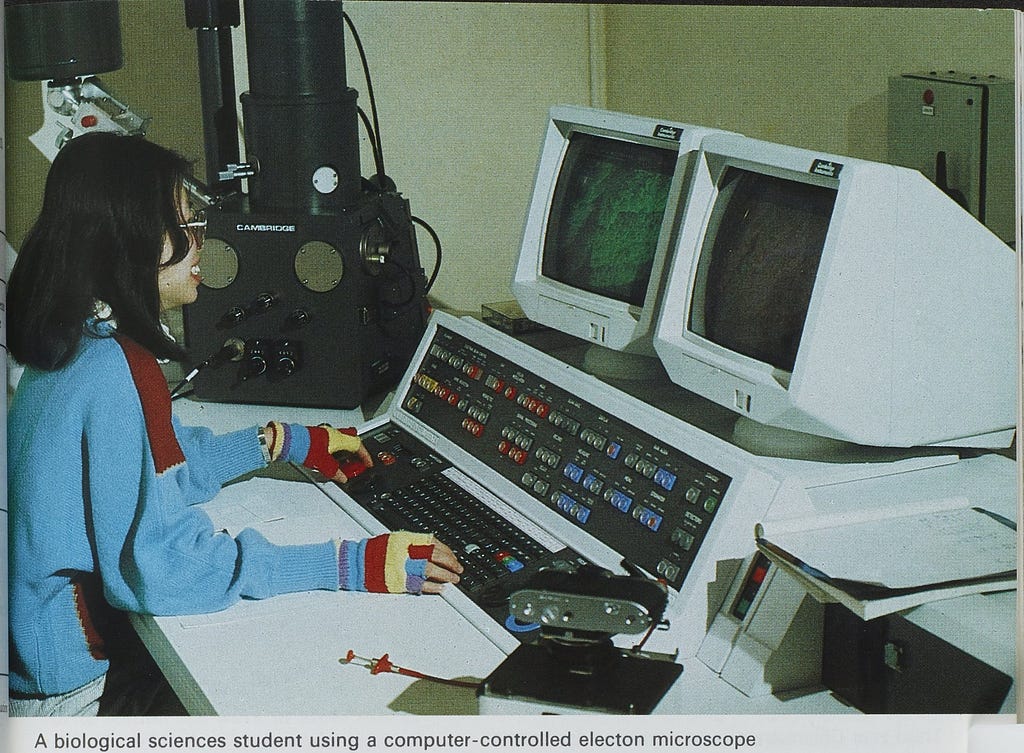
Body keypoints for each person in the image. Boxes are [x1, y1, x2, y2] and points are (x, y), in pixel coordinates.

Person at [6, 132, 463, 717]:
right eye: (187, 227)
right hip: (70, 694)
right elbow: (163, 570)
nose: (203, 244)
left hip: (38, 658)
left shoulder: (73, 345)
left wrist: (280, 443)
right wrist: (350, 564)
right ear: (134, 240)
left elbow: (153, 470)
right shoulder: (121, 370)